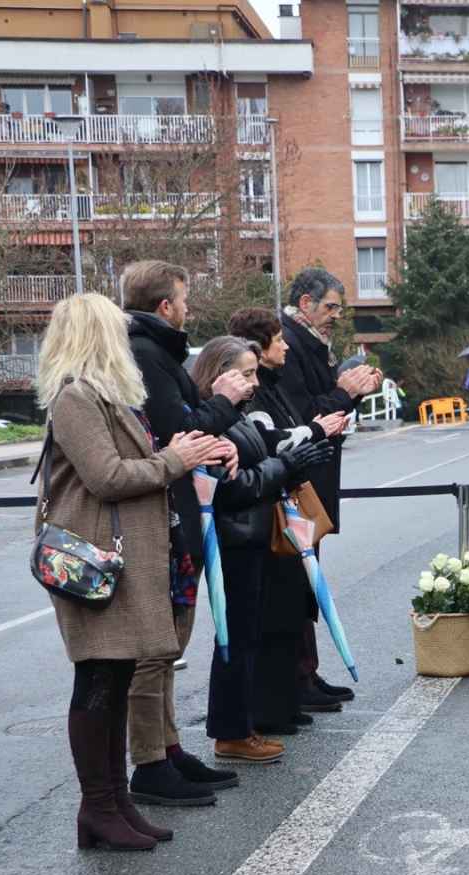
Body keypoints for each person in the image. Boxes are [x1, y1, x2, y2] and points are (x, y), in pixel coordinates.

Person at [36, 293, 225, 849]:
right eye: (116, 331)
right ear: (97, 336)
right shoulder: (76, 397)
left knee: (115, 679)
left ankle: (115, 803)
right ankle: (98, 807)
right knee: (96, 680)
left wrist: (178, 450)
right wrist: (175, 461)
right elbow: (107, 477)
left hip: (120, 562)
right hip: (94, 565)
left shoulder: (107, 397)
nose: (126, 340)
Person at [121, 260, 244, 806]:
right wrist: (223, 404)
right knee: (154, 650)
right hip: (161, 521)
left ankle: (167, 748)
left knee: (170, 646)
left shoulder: (156, 352)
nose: (189, 309)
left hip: (174, 516)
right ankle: (150, 761)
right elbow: (181, 433)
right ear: (166, 306)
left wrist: (218, 427)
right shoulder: (146, 354)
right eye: (185, 299)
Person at [191, 337, 334, 764]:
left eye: (255, 373)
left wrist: (293, 457)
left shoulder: (235, 417)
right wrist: (284, 467)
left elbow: (261, 456)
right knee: (235, 638)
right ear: (219, 374)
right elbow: (233, 488)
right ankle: (232, 732)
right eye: (246, 373)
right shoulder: (215, 421)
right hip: (235, 537)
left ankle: (241, 725)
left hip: (251, 535)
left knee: (247, 636)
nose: (254, 383)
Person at [227, 309, 349, 737]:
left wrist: (312, 433)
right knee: (271, 616)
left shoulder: (271, 386)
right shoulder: (252, 396)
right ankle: (269, 708)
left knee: (291, 607)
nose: (286, 346)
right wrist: (313, 432)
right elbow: (267, 440)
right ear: (257, 351)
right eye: (278, 340)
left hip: (280, 505)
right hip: (264, 512)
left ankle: (287, 697)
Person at [277, 268, 381, 706]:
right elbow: (304, 418)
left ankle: (307, 672)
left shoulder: (313, 342)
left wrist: (351, 393)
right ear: (305, 304)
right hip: (300, 477)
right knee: (297, 577)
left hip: (314, 476)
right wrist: (343, 391)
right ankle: (296, 679)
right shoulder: (291, 343)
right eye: (330, 307)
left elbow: (328, 410)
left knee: (308, 575)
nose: (336, 315)